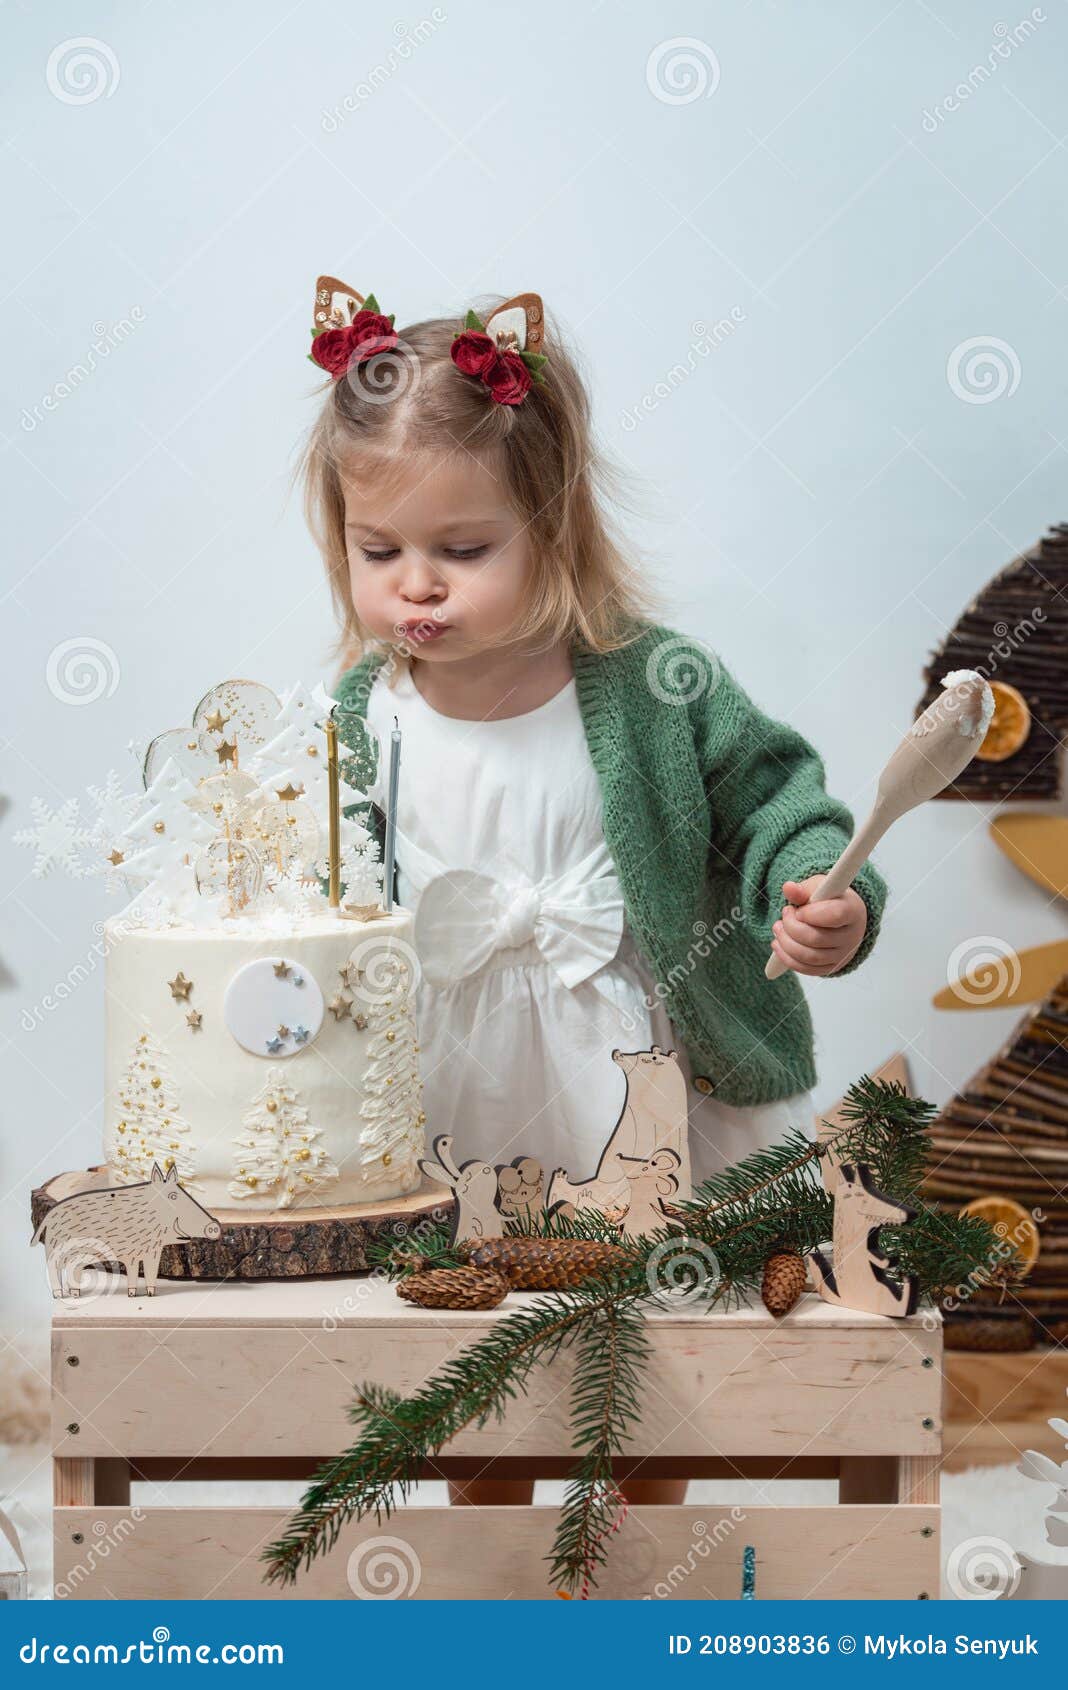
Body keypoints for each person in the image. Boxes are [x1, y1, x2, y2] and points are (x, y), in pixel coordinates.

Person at [303, 284, 887, 1509]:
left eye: (463, 551)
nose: (418, 586)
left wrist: (822, 890)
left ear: (553, 528)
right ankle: (504, 1582)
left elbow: (787, 799)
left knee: (655, 1361)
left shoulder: (652, 683)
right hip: (453, 1084)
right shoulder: (365, 716)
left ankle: (639, 1587)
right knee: (478, 1367)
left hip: (638, 1064)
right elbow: (329, 893)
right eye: (380, 552)